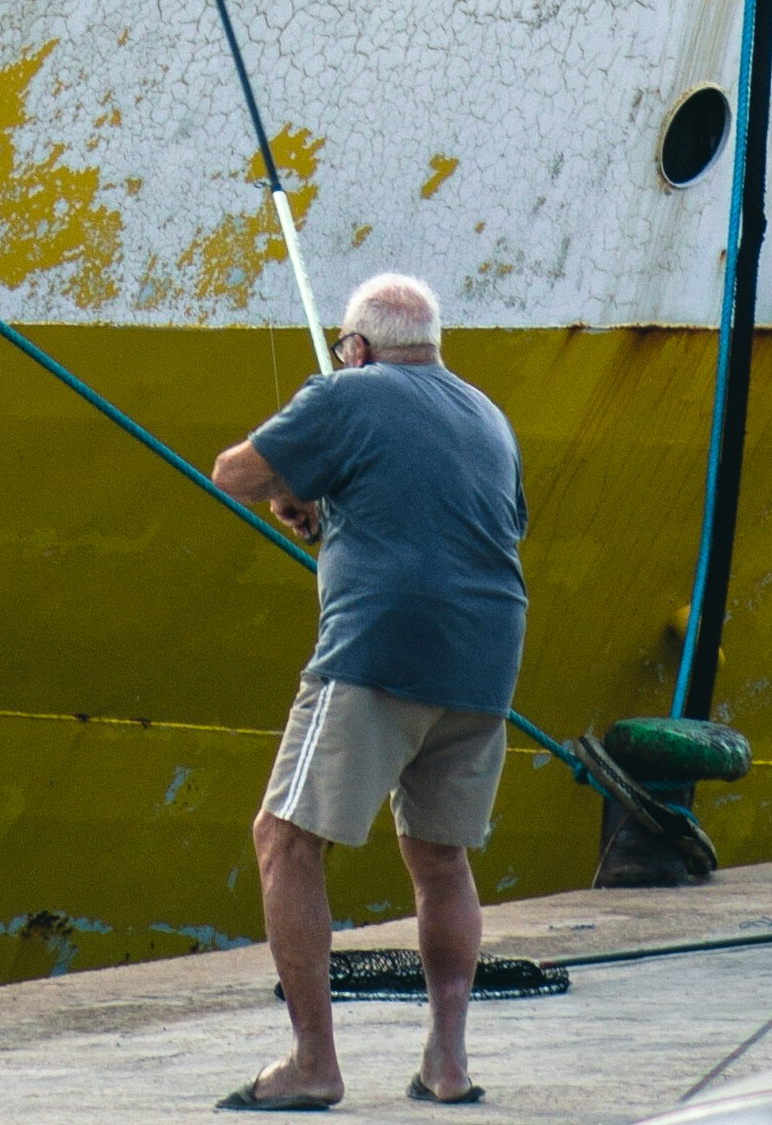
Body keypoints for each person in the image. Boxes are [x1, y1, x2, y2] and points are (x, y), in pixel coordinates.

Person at [208, 272, 527, 1116]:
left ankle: (313, 1062)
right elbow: (473, 517)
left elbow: (232, 472)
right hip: (486, 659)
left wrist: (288, 485)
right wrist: (323, 501)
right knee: (439, 855)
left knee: (285, 838)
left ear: (355, 346)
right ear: (433, 347)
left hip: (379, 650)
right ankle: (448, 1065)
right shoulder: (486, 415)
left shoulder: (347, 391)